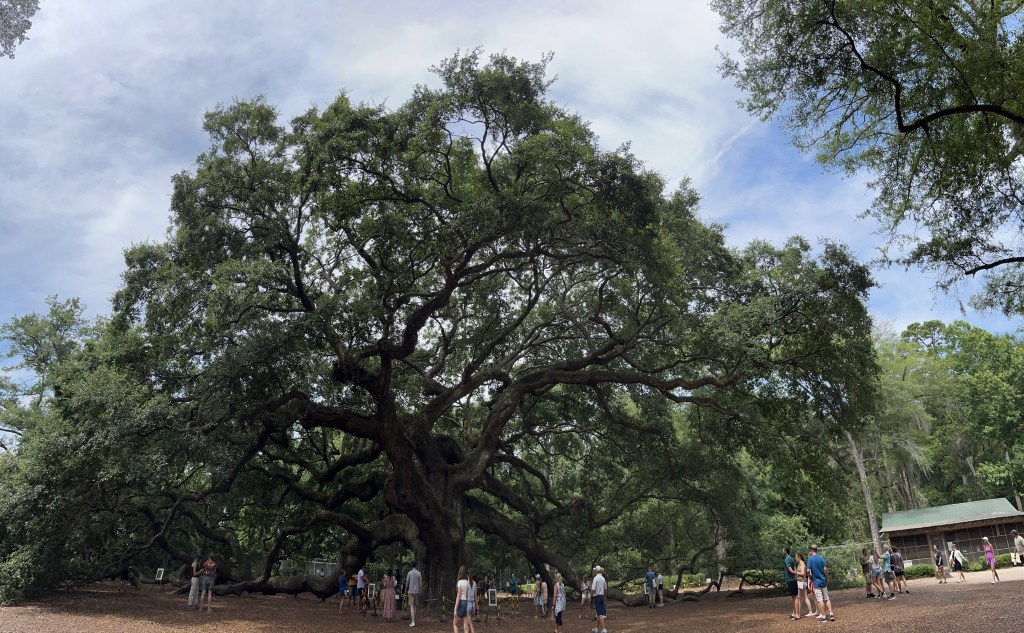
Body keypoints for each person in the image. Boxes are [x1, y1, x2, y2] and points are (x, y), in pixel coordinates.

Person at [807, 545, 835, 623]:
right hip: (823, 580)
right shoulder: (821, 557)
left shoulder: (810, 559)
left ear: (812, 550)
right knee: (826, 598)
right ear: (816, 550)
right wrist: (827, 577)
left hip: (816, 581)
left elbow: (808, 570)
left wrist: (810, 577)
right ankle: (831, 614)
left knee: (820, 599)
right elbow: (825, 569)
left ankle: (823, 616)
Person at [795, 552, 816, 618]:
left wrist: (795, 572)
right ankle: (798, 612)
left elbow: (803, 573)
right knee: (800, 598)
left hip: (802, 582)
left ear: (799, 557)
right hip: (800, 582)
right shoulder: (800, 563)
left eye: (796, 557)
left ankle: (809, 612)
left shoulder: (802, 564)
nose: (795, 559)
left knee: (804, 597)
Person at [783, 547, 799, 620]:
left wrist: (795, 573)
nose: (782, 551)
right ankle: (794, 613)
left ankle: (796, 615)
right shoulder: (791, 558)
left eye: (783, 550)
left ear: (785, 551)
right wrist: (795, 573)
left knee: (794, 597)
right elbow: (794, 566)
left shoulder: (787, 559)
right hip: (792, 580)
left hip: (791, 580)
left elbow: (790, 569)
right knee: (793, 597)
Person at [454, 566, 471, 633]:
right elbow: (467, 595)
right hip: (467, 603)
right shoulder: (468, 582)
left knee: (455, 624)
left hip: (461, 603)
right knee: (466, 627)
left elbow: (458, 595)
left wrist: (455, 608)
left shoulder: (459, 582)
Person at [591, 565, 608, 633]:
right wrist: (605, 597)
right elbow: (605, 589)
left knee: (600, 613)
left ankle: (604, 628)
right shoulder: (603, 578)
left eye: (594, 570)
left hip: (597, 596)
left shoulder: (595, 578)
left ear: (596, 571)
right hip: (602, 596)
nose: (594, 571)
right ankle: (596, 628)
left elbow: (593, 589)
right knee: (598, 613)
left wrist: (591, 596)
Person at [405, 561, 422, 627]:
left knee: (411, 606)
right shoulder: (419, 573)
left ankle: (413, 621)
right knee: (415, 606)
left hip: (411, 591)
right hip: (417, 591)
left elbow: (407, 582)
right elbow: (420, 583)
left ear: (411, 566)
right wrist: (420, 590)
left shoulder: (409, 573)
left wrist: (406, 589)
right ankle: (413, 620)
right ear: (416, 565)